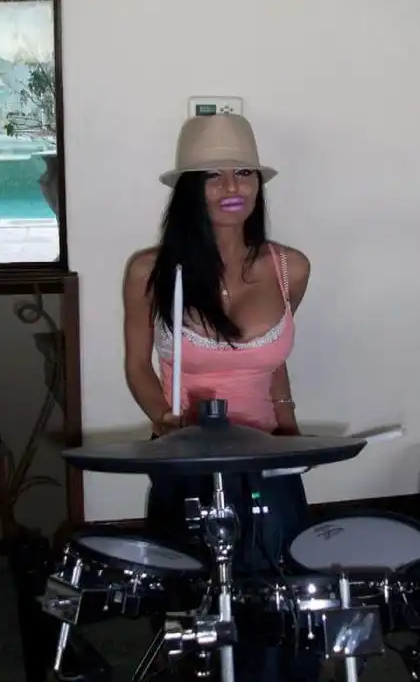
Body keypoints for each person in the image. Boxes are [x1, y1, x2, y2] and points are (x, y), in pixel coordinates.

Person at [123, 114, 319, 682]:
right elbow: (137, 365)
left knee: (277, 591)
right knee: (194, 596)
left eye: (245, 173)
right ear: (190, 190)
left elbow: (271, 362)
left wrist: (290, 427)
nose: (233, 187)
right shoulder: (149, 271)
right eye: (213, 175)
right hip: (188, 454)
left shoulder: (291, 268)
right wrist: (165, 420)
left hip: (266, 455)